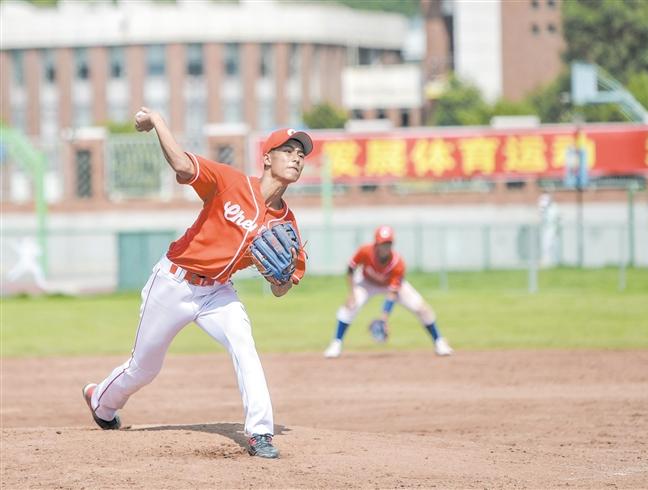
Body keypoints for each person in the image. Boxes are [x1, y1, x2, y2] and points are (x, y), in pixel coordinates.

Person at [81, 107, 311, 459]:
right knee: (143, 369)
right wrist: (158, 120)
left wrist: (277, 279)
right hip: (174, 282)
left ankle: (260, 433)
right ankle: (101, 401)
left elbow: (283, 287)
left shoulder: (287, 225)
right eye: (288, 151)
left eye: (301, 155)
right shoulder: (231, 182)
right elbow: (184, 167)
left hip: (218, 290)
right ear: (267, 158)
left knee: (244, 345)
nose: (296, 159)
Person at [323, 225, 453, 358]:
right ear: (376, 243)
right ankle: (336, 343)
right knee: (350, 306)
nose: (385, 247)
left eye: (388, 243)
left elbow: (392, 293)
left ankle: (439, 342)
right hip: (366, 282)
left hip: (390, 285)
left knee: (421, 308)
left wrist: (383, 318)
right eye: (382, 243)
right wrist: (351, 294)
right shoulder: (365, 251)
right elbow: (350, 269)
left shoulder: (398, 263)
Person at [538, 193, 561, 268]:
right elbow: (542, 217)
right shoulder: (544, 208)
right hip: (546, 229)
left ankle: (553, 261)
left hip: (552, 228)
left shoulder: (554, 208)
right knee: (545, 245)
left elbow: (556, 218)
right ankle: (546, 261)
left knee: (551, 245)